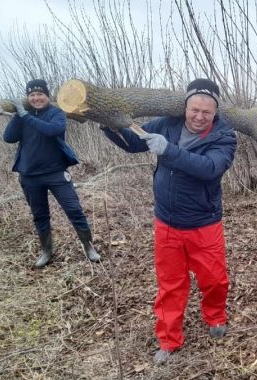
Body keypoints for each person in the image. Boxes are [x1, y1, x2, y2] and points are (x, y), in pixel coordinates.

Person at [100, 78, 236, 364]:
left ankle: (215, 316)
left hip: (204, 223)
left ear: (216, 112)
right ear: (185, 107)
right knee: (170, 284)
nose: (199, 117)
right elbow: (134, 143)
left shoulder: (224, 136)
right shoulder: (167, 124)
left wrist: (169, 151)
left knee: (214, 280)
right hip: (167, 222)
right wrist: (108, 124)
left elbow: (210, 168)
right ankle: (168, 339)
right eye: (194, 110)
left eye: (206, 112)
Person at [3, 79, 100, 268]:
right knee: (40, 214)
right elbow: (8, 138)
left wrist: (26, 116)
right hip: (29, 176)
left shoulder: (56, 113)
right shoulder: (24, 116)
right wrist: (18, 115)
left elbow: (53, 130)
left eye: (40, 94)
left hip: (55, 173)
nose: (36, 98)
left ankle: (89, 248)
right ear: (27, 98)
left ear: (47, 96)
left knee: (74, 209)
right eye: (32, 95)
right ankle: (46, 251)